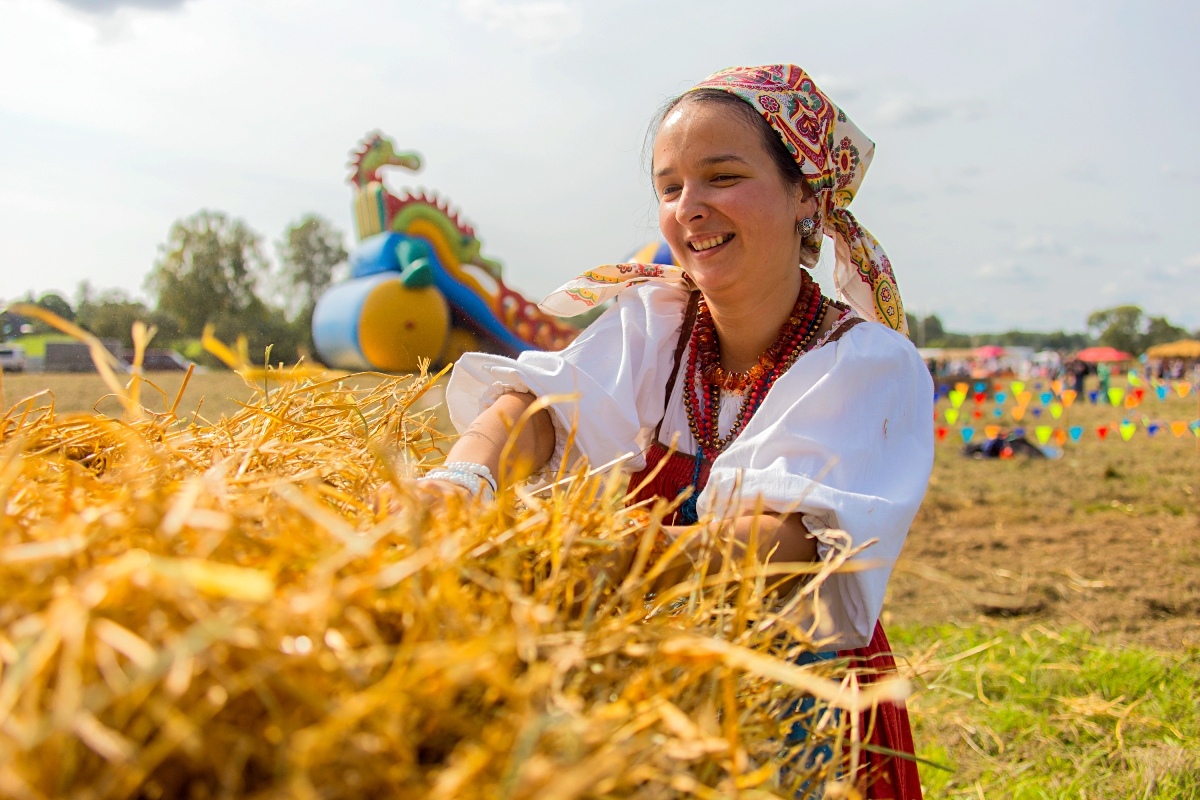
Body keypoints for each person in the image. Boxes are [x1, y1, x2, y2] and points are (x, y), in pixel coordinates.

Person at [421, 65, 932, 799]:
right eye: (669, 187)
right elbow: (531, 411)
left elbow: (785, 543)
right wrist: (463, 479)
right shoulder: (655, 325)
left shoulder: (865, 363)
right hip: (654, 682)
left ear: (806, 199)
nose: (689, 208)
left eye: (721, 177)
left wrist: (587, 559)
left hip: (788, 704)